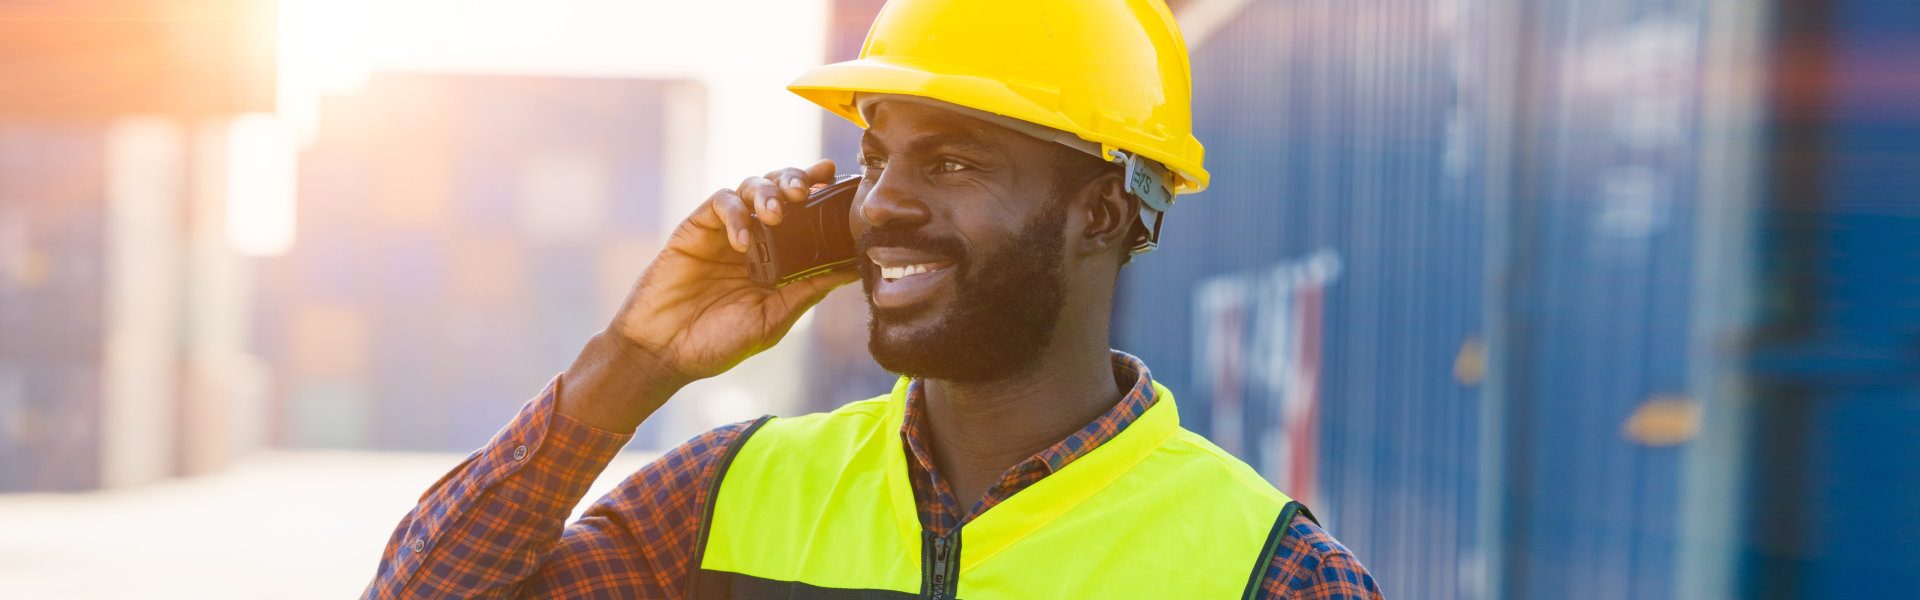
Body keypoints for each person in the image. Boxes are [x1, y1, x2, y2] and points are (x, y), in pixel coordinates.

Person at [364, 0, 1382, 597]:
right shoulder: (729, 497)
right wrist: (637, 360)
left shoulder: (1265, 573)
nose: (880, 205)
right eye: (876, 155)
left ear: (1103, 214)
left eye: (950, 162)